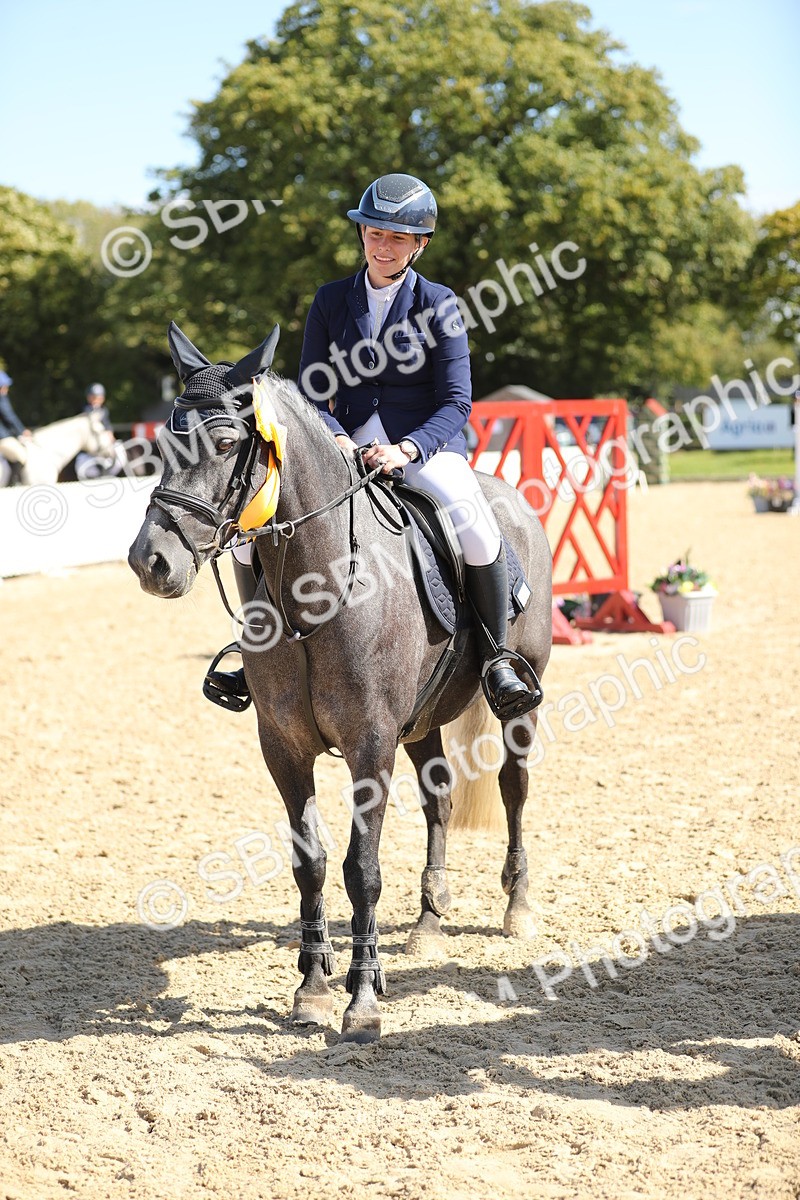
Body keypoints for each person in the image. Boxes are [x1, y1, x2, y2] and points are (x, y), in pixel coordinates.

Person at [206, 173, 537, 720]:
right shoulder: (331, 300)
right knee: (250, 529)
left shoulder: (440, 304)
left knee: (474, 522)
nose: (383, 247)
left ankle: (496, 656)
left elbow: (456, 402)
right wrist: (335, 436)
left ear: (419, 244)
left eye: (398, 238)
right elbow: (311, 391)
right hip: (344, 445)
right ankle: (257, 651)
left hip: (423, 447)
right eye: (375, 234)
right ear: (362, 234)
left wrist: (407, 449)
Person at [0, 370, 32, 479]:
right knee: (20, 455)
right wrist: (22, 430)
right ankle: (13, 483)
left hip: (4, 434)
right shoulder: (1, 398)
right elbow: (9, 416)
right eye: (4, 386)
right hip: (1, 437)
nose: (6, 389)